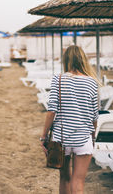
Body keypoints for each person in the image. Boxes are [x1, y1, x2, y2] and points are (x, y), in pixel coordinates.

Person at [40, 45, 99, 194]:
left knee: (64, 179)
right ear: (83, 60)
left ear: (66, 60)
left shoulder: (58, 79)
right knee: (78, 182)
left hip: (61, 139)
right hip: (84, 138)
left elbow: (51, 111)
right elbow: (94, 116)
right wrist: (93, 137)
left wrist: (44, 136)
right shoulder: (92, 82)